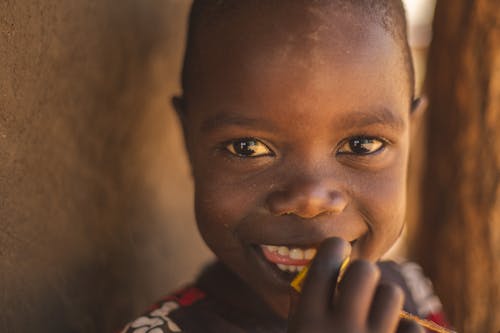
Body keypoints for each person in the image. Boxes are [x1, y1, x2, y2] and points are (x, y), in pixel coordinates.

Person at [120, 1, 451, 332]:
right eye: (247, 148)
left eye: (361, 145)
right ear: (188, 142)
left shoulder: (410, 291)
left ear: (411, 137)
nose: (309, 200)